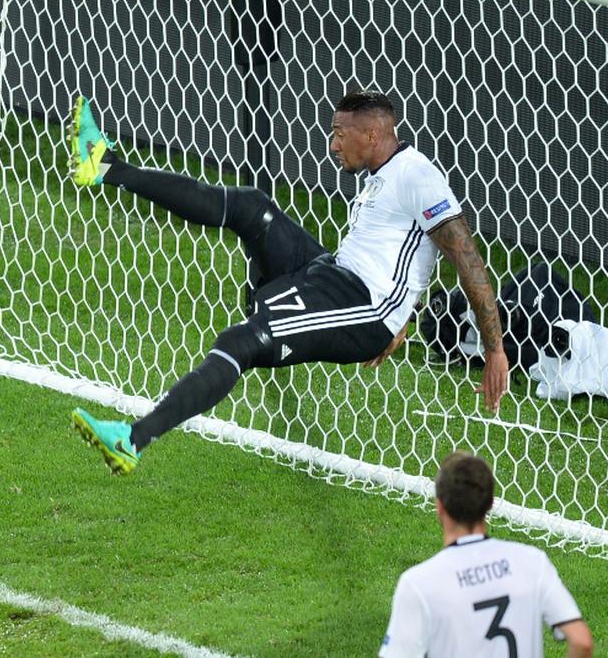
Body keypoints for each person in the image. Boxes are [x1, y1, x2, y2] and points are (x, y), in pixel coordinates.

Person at [67, 90, 510, 475]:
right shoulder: (384, 176)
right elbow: (406, 252)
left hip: (361, 306)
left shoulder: (417, 175)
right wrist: (406, 311)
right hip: (334, 273)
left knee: (242, 341)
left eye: (340, 134)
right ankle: (104, 164)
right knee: (252, 208)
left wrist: (493, 349)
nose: (333, 145)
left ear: (373, 134)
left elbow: (466, 259)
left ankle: (131, 439)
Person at [379, 452, 592, 657]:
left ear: (440, 506)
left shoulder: (419, 584)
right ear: (490, 503)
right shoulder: (532, 563)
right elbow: (581, 641)